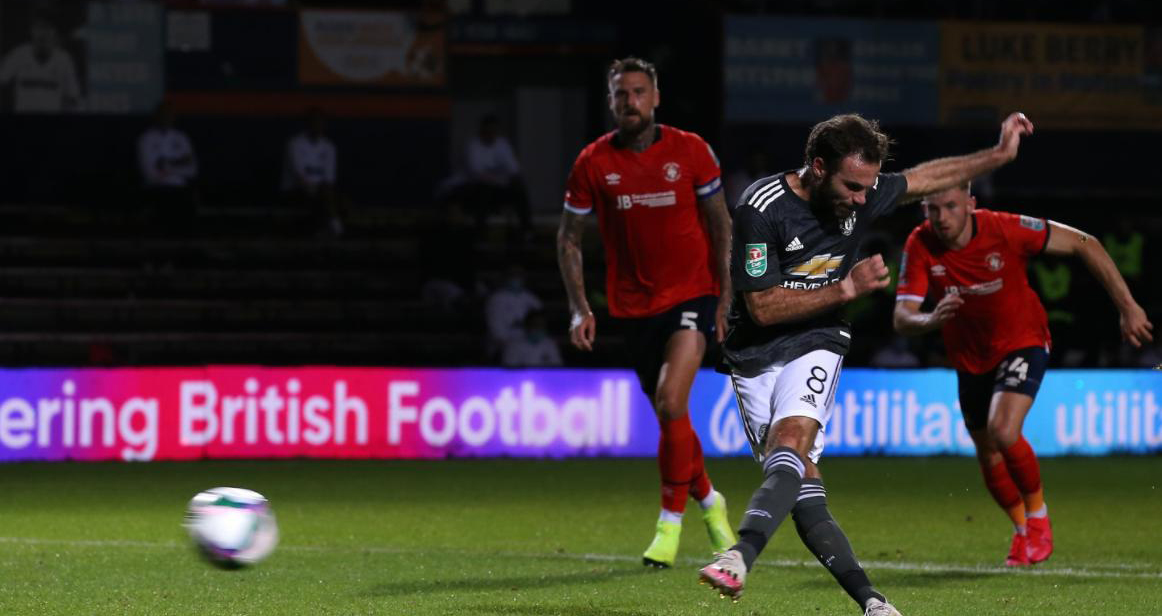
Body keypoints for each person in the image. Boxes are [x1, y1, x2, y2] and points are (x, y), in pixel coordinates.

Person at [697, 111, 1034, 616]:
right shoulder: (760, 208)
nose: (861, 199)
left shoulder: (863, 190)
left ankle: (739, 555)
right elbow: (762, 308)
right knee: (802, 485)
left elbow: (925, 178)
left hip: (819, 339)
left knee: (791, 439)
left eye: (867, 188)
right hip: (755, 353)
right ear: (818, 167)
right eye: (852, 187)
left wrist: (999, 155)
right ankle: (873, 602)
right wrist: (845, 288)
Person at [892, 183, 1153, 567]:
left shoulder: (1006, 228)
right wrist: (930, 319)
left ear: (971, 204)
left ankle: (1038, 518)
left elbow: (1086, 242)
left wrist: (1128, 306)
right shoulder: (920, 243)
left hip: (1023, 340)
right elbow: (902, 317)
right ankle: (1022, 531)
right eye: (933, 209)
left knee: (1004, 430)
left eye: (950, 206)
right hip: (970, 359)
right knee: (987, 452)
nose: (942, 218)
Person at [556, 57, 735, 568]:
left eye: (638, 92)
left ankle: (668, 525)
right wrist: (579, 309)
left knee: (671, 398)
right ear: (610, 101)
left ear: (656, 97)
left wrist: (726, 298)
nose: (629, 101)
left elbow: (721, 225)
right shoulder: (593, 162)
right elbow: (568, 239)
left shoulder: (691, 150)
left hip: (692, 294)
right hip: (632, 306)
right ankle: (710, 501)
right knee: (669, 413)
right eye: (620, 94)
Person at [0, 11, 82, 113]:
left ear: (55, 32)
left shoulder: (64, 60)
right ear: (32, 30)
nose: (42, 33)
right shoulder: (19, 55)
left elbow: (73, 98)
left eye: (47, 28)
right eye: (39, 27)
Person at [137, 102, 199, 233]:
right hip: (157, 188)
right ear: (156, 117)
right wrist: (178, 163)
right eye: (163, 115)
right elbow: (149, 173)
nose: (166, 118)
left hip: (180, 189)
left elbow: (192, 170)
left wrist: (166, 165)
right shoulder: (146, 139)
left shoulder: (181, 138)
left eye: (169, 115)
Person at [282, 107, 343, 236]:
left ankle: (328, 229)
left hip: (321, 193)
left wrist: (320, 192)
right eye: (314, 122)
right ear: (307, 124)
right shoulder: (294, 144)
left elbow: (329, 180)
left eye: (321, 123)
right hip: (295, 191)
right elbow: (298, 176)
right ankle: (335, 228)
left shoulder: (329, 147)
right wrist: (312, 190)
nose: (317, 126)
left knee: (331, 197)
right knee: (322, 199)